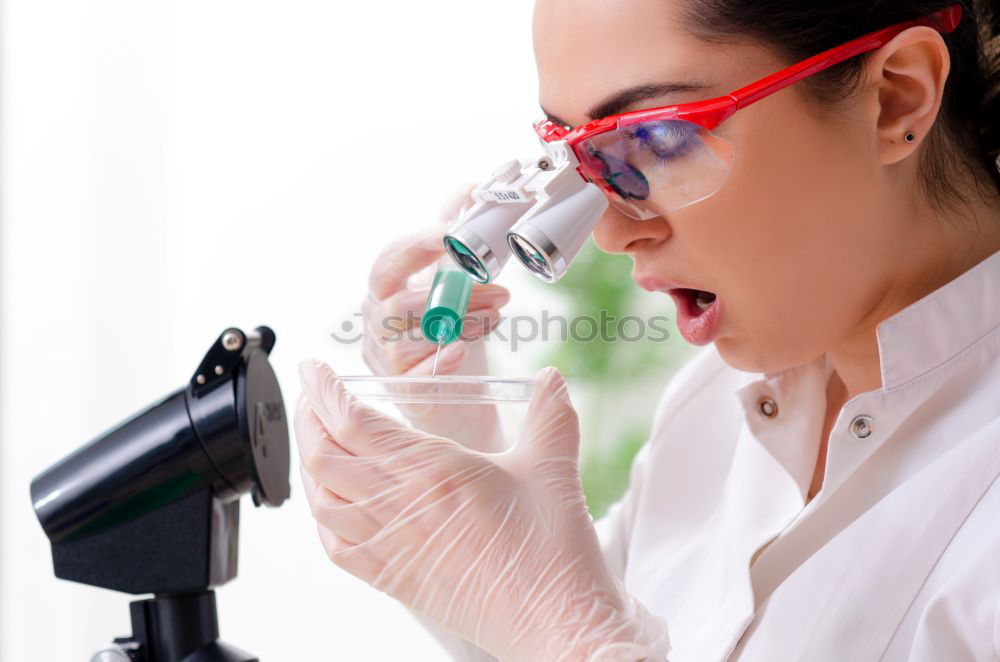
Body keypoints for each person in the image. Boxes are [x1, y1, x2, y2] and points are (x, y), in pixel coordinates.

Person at [294, 0, 1000, 659]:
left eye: (659, 138)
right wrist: (468, 462)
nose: (607, 232)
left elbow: (579, 634)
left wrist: (572, 638)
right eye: (583, 157)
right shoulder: (713, 407)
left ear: (896, 98)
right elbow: (574, 622)